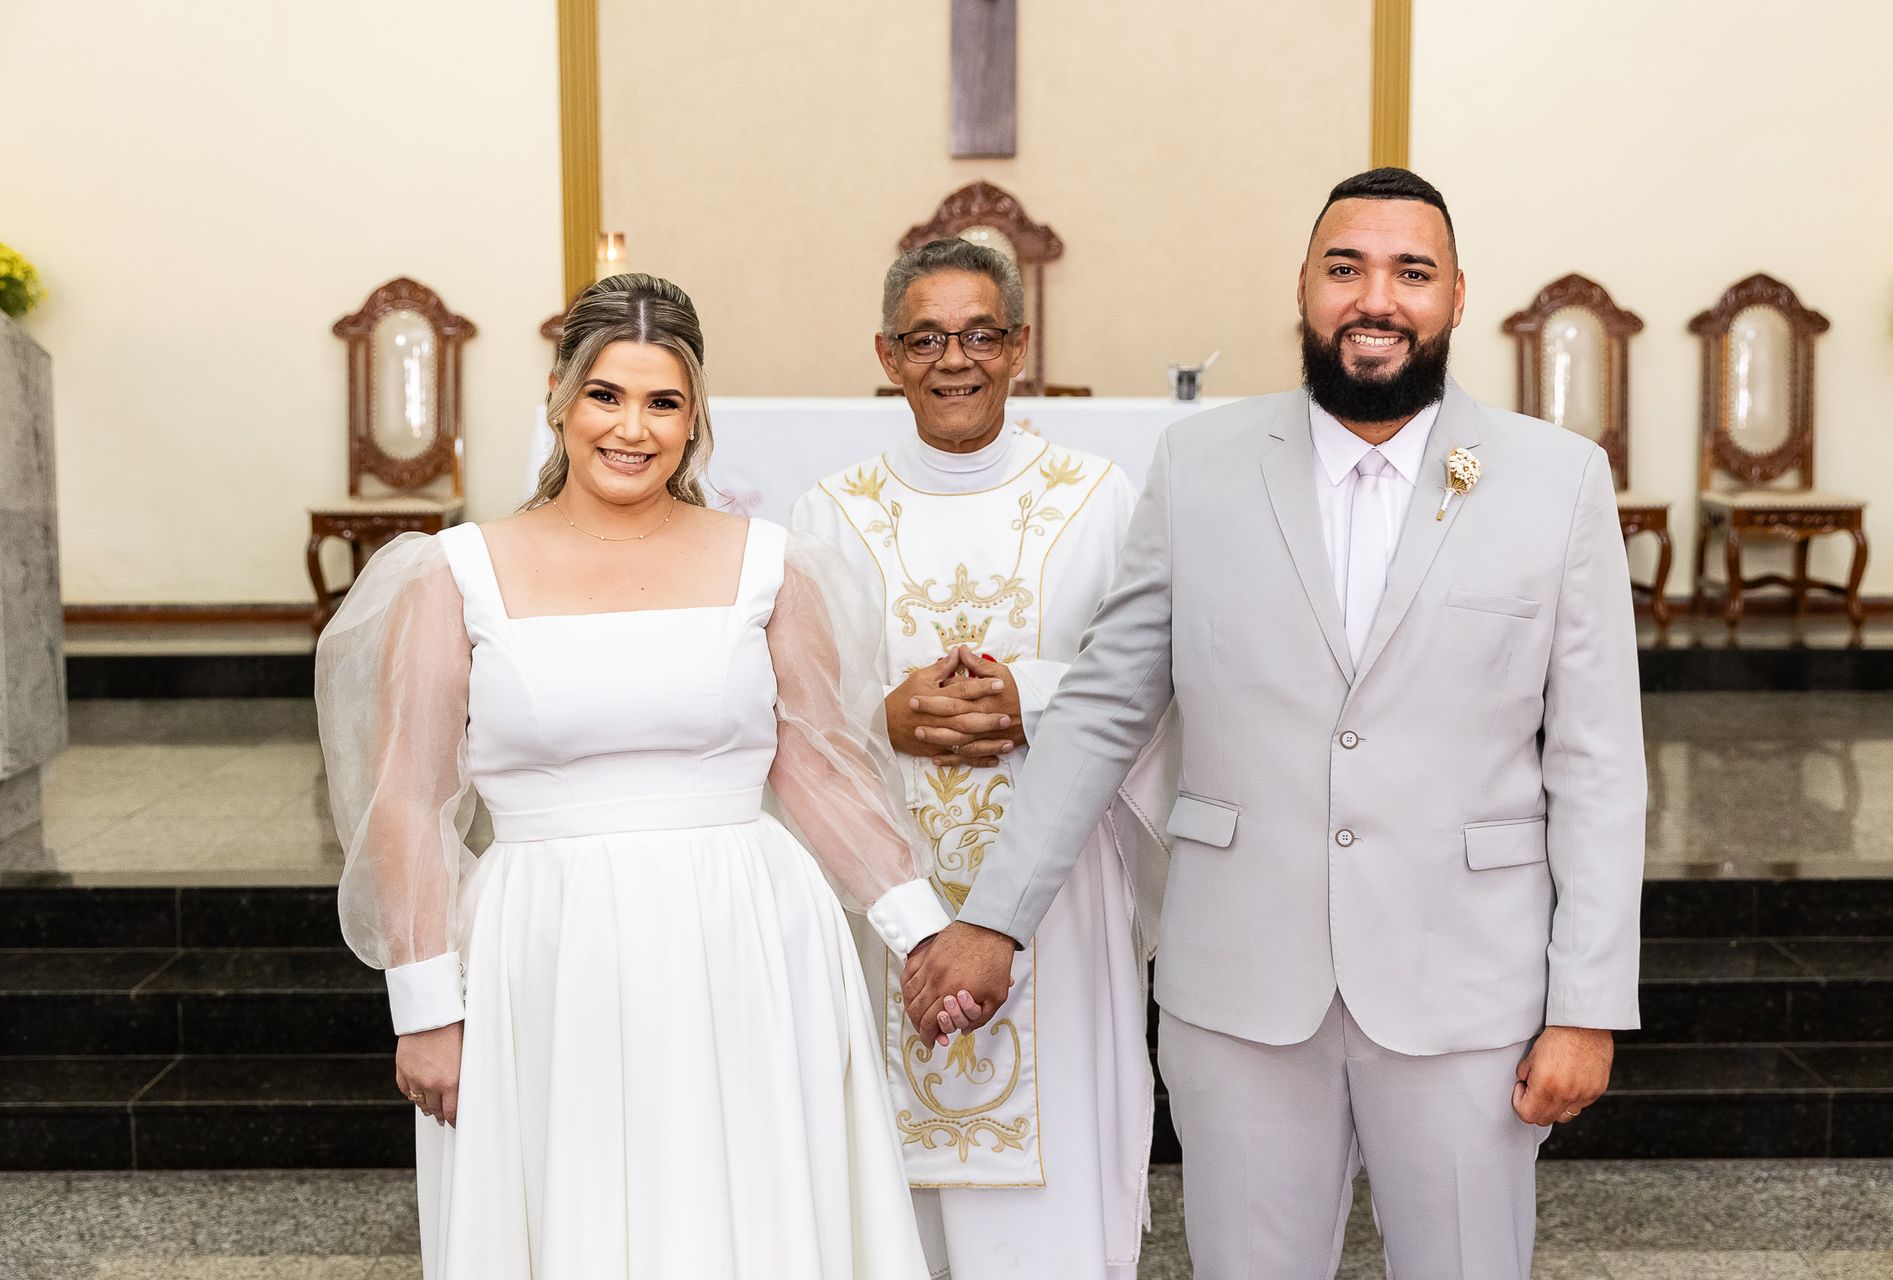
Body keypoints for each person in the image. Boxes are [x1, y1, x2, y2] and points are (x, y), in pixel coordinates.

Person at [904, 168, 1648, 1280]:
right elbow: (1107, 705)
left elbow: (1597, 763)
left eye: (1411, 271)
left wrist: (1587, 1001)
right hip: (1241, 983)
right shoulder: (1200, 466)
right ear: (1303, 287)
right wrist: (996, 916)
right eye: (1345, 268)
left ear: (1454, 296)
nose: (1375, 298)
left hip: (1465, 983)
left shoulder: (1557, 480)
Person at [316, 273, 948, 1280]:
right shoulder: (455, 574)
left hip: (744, 940)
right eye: (607, 394)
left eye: (663, 402)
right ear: (561, 397)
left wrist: (922, 929)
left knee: (750, 1215)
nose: (633, 428)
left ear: (696, 418)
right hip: (544, 948)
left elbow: (822, 764)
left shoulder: (773, 565)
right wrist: (427, 1003)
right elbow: (408, 796)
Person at [792, 237, 1167, 1280]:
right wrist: (887, 712)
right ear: (887, 352)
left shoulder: (1098, 498)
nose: (953, 359)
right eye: (925, 338)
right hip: (892, 898)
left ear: (1018, 345)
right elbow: (798, 714)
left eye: (978, 334)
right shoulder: (832, 512)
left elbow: (1160, 681)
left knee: (1055, 1198)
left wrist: (1033, 695)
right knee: (893, 1203)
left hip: (1059, 897)